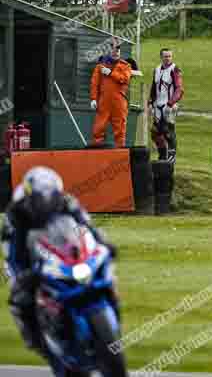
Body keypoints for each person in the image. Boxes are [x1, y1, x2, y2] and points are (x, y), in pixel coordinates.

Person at [1, 167, 116, 358]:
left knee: (103, 266)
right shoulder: (16, 214)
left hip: (61, 249)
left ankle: (111, 303)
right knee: (20, 296)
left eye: (51, 195)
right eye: (41, 197)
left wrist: (103, 244)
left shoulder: (67, 202)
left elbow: (87, 226)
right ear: (30, 196)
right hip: (30, 255)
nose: (46, 200)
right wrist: (22, 274)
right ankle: (36, 338)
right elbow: (14, 253)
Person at [90, 41, 133, 147]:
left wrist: (110, 73)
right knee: (99, 127)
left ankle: (120, 151)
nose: (116, 52)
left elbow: (125, 79)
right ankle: (97, 150)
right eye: (113, 50)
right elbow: (94, 83)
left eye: (117, 50)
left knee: (120, 127)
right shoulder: (100, 66)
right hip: (104, 101)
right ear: (109, 51)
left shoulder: (126, 65)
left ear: (120, 51)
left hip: (119, 100)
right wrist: (93, 98)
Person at [149, 48, 184, 162]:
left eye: (169, 56)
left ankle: (171, 158)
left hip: (169, 105)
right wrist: (150, 102)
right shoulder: (157, 69)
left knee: (168, 131)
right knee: (155, 132)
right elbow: (153, 87)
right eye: (165, 56)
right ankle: (162, 155)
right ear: (161, 57)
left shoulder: (175, 69)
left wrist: (171, 103)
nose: (168, 58)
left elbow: (179, 89)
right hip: (157, 105)